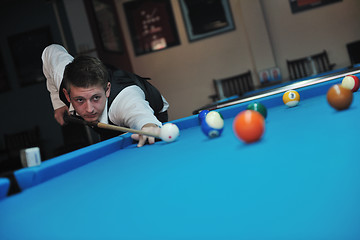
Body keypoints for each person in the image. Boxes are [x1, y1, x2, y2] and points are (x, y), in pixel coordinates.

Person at [42, 44, 169, 148]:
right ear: (67, 95)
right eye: (80, 100)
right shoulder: (61, 76)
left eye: (95, 98)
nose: (89, 109)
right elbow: (50, 51)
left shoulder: (125, 100)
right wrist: (58, 104)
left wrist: (148, 125)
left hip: (153, 113)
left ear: (107, 90)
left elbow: (141, 115)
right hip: (108, 123)